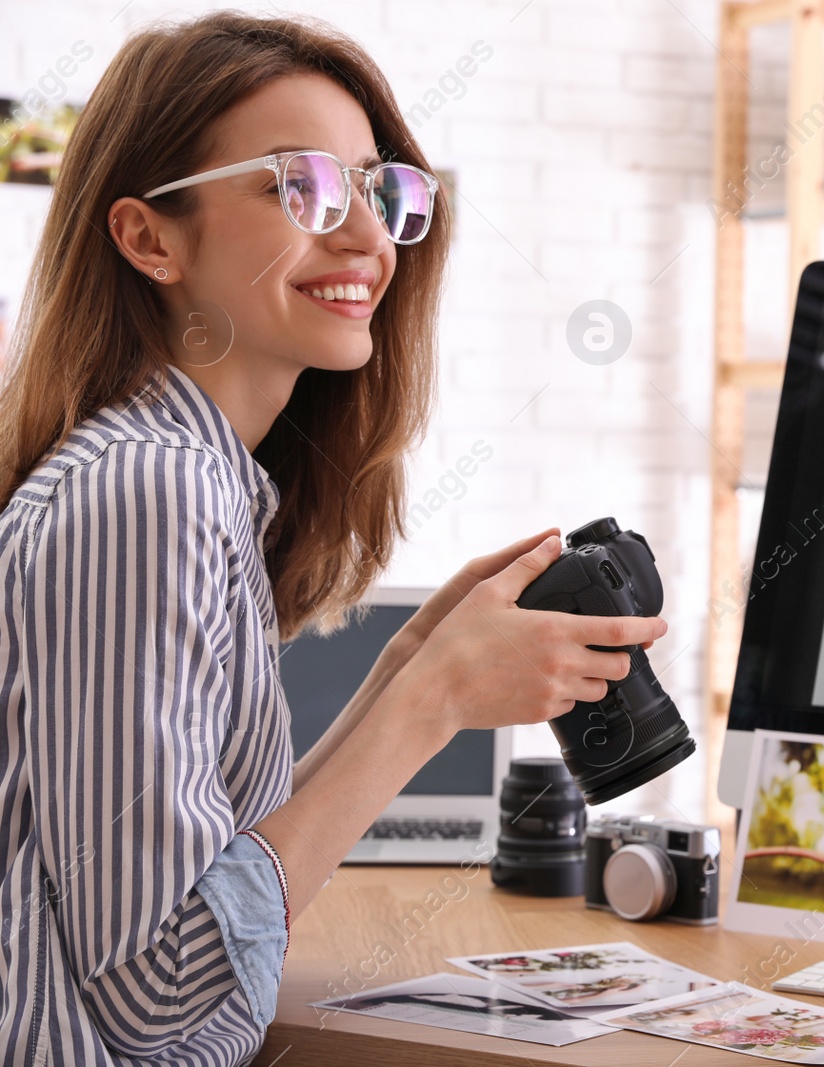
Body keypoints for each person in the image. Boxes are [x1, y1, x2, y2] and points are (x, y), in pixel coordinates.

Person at [0, 13, 665, 1065]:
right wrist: (432, 699)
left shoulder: (200, 482)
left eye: (380, 191)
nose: (366, 238)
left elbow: (214, 876)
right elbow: (161, 992)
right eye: (299, 186)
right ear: (149, 237)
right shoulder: (144, 492)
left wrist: (410, 661)